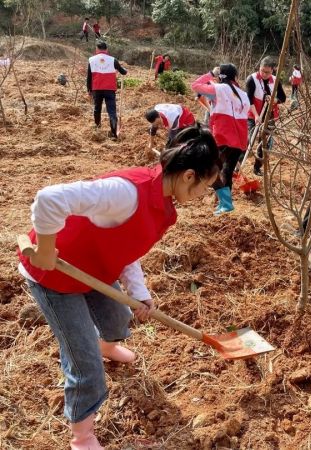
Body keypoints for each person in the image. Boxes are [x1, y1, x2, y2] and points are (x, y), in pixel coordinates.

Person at [17, 131, 220, 450]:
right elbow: (49, 198)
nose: (204, 196)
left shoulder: (164, 204)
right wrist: (45, 249)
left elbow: (127, 248)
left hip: (93, 269)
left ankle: (107, 346)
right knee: (86, 367)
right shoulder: (127, 191)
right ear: (188, 176)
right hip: (55, 274)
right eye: (205, 188)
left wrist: (138, 292)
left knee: (117, 320)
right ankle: (81, 437)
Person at [192, 63, 250, 215]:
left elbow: (195, 86)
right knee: (227, 172)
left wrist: (211, 73)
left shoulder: (218, 90)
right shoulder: (243, 95)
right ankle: (224, 205)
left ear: (219, 75)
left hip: (223, 136)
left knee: (210, 170)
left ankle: (224, 202)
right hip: (240, 139)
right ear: (236, 77)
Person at [246, 56, 286, 176]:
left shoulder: (275, 80)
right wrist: (256, 116)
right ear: (260, 68)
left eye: (267, 72)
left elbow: (283, 98)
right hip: (253, 114)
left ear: (272, 70)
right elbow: (249, 100)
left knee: (265, 143)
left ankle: (257, 167)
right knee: (248, 139)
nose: (264, 74)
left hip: (269, 115)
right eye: (262, 70)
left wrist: (274, 101)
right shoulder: (252, 79)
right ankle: (238, 163)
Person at [86, 41, 127, 139]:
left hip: (97, 88)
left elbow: (89, 76)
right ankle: (114, 134)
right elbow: (123, 72)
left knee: (97, 108)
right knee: (112, 111)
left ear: (97, 49)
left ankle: (97, 127)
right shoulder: (113, 60)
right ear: (106, 49)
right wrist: (124, 70)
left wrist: (89, 90)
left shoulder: (91, 60)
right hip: (110, 89)